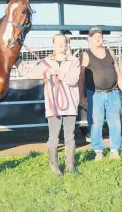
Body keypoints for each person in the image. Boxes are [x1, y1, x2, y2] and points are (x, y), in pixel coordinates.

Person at [15, 33, 81, 176]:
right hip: (53, 107)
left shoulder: (74, 61)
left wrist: (58, 73)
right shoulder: (45, 62)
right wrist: (17, 60)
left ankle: (70, 166)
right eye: (58, 43)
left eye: (63, 42)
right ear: (53, 45)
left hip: (70, 105)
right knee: (54, 136)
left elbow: (74, 79)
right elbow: (29, 72)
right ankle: (54, 166)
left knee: (70, 135)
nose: (60, 45)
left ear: (67, 44)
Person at [79, 26, 122, 161]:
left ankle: (114, 150)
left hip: (113, 93)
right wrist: (81, 97)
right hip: (95, 95)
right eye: (94, 36)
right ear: (89, 38)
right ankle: (98, 151)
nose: (97, 38)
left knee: (115, 122)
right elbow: (81, 78)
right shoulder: (85, 55)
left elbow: (118, 73)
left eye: (99, 35)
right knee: (95, 123)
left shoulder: (110, 52)